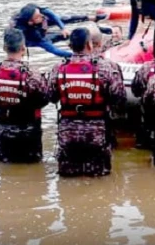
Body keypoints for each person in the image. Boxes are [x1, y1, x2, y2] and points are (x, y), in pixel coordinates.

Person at [46, 28, 127, 177]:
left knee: (67, 181)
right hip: (97, 133)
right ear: (90, 44)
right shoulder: (106, 67)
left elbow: (50, 97)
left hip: (67, 133)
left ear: (70, 46)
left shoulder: (58, 69)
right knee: (99, 179)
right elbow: (119, 98)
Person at [0, 28, 50, 163]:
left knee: (3, 171)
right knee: (32, 172)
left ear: (4, 47)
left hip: (3, 127)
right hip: (29, 129)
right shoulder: (33, 73)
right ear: (23, 48)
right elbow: (46, 98)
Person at [10, 4, 102, 58]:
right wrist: (79, 57)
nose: (42, 15)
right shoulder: (33, 35)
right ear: (30, 22)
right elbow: (55, 51)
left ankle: (92, 18)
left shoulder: (34, 10)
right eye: (38, 16)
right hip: (34, 36)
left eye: (40, 13)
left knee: (63, 19)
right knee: (61, 36)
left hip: (38, 26)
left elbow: (50, 13)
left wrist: (63, 28)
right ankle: (91, 34)